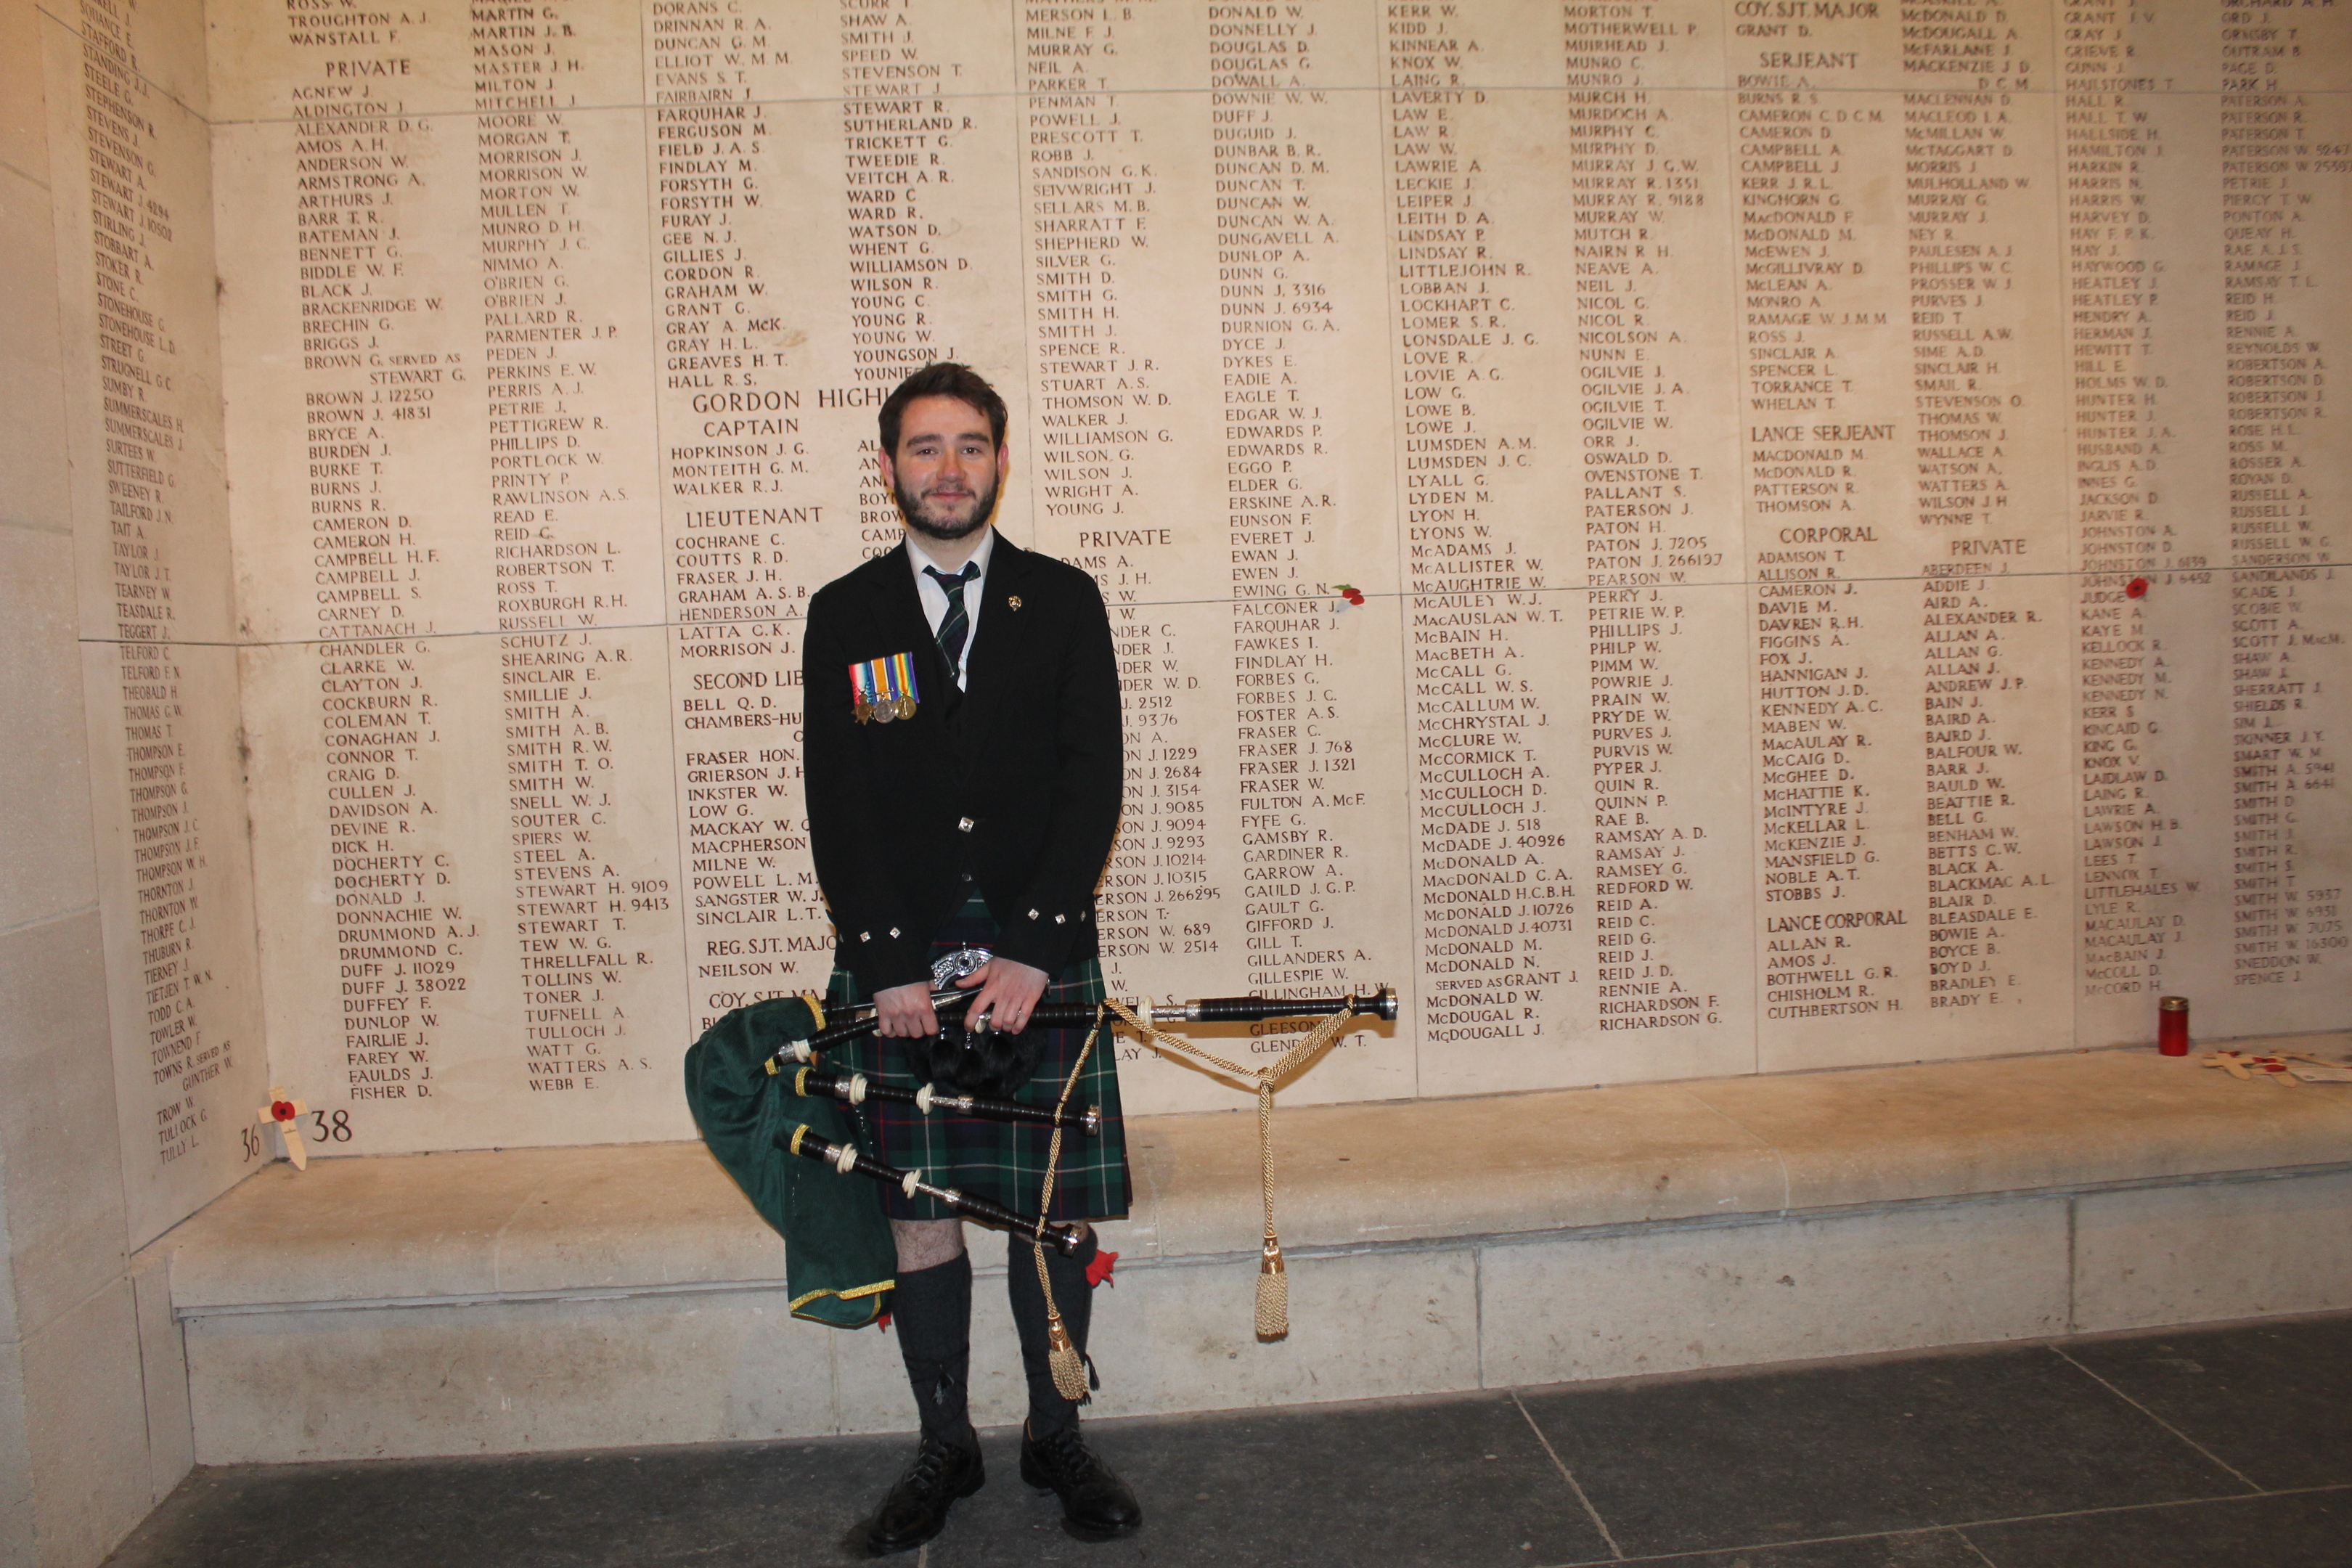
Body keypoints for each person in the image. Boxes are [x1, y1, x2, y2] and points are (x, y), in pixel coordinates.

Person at [800, 362, 1143, 1553]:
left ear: (1002, 459)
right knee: (921, 1212)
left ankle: (1058, 1434)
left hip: (1034, 957)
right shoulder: (846, 614)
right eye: (924, 447)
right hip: (903, 964)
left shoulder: (1063, 600)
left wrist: (1036, 953)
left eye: (971, 446)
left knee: (1045, 1209)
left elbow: (1088, 782)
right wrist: (887, 964)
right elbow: (836, 803)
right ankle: (947, 1449)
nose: (948, 469)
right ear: (886, 464)